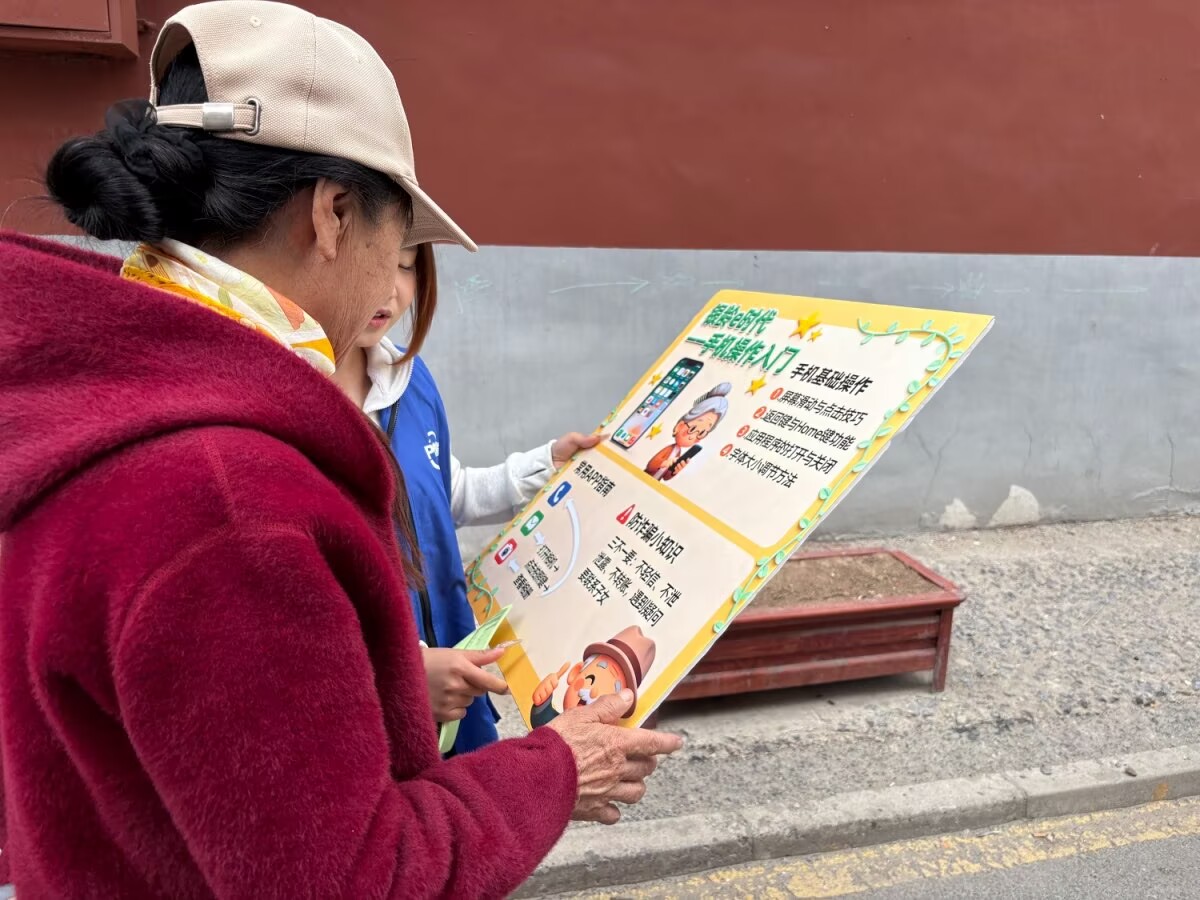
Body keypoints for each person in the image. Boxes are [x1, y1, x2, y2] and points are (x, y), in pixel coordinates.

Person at [0, 3, 681, 898]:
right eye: (398, 241)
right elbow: (355, 877)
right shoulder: (229, 501)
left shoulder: (113, 395)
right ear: (333, 214)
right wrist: (558, 768)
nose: (390, 284)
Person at [331, 242, 602, 753]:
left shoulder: (411, 381)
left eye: (405, 267)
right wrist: (403, 674)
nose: (390, 289)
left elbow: (444, 494)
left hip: (456, 674)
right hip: (370, 716)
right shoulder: (289, 410)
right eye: (370, 262)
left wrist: (547, 465)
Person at [645, 383, 733, 481]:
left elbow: (665, 477)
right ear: (679, 426)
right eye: (692, 429)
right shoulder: (669, 449)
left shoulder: (678, 453)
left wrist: (674, 471)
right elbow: (650, 466)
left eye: (701, 433)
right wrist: (663, 463)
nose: (693, 437)